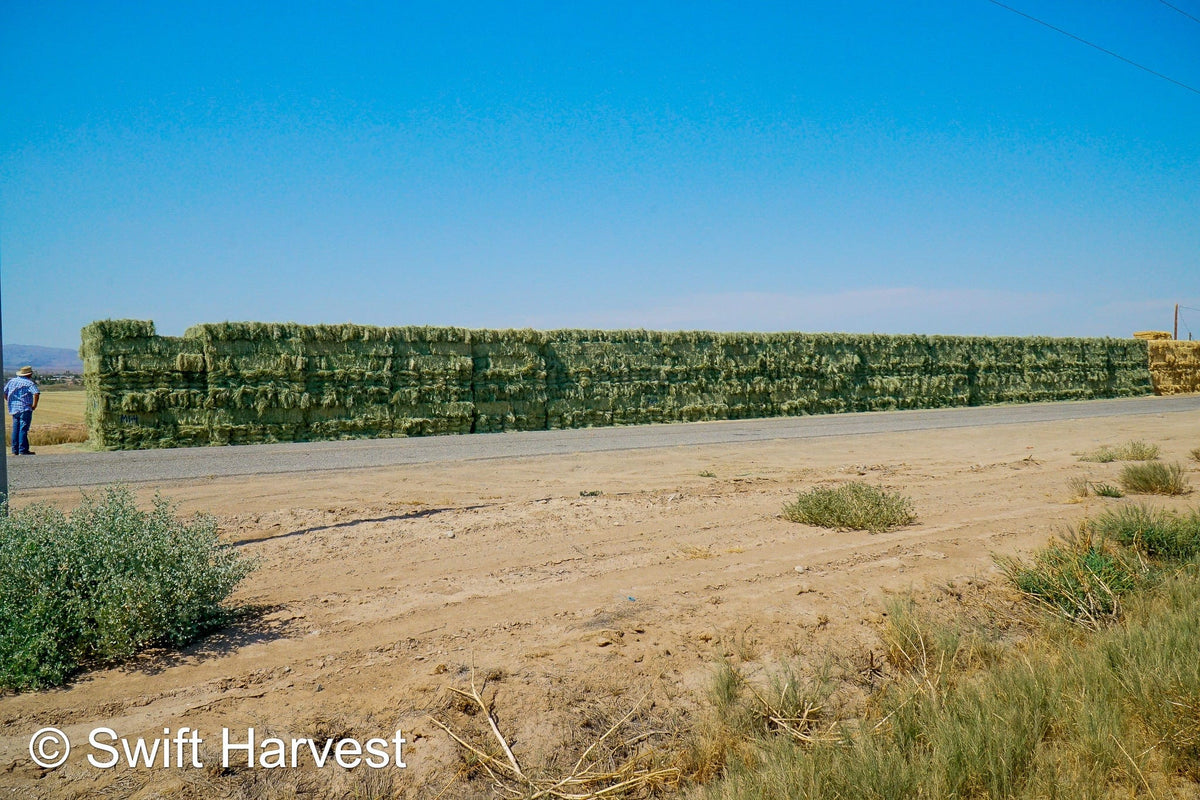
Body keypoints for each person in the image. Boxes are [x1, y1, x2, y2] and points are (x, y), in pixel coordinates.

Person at [4, 366, 40, 456]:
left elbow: (4, 392)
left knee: (16, 429)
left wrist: (9, 400)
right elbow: (36, 393)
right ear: (29, 374)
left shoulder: (12, 381)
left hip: (14, 408)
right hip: (25, 408)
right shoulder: (29, 383)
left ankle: (14, 450)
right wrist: (34, 405)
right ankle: (22, 450)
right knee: (23, 429)